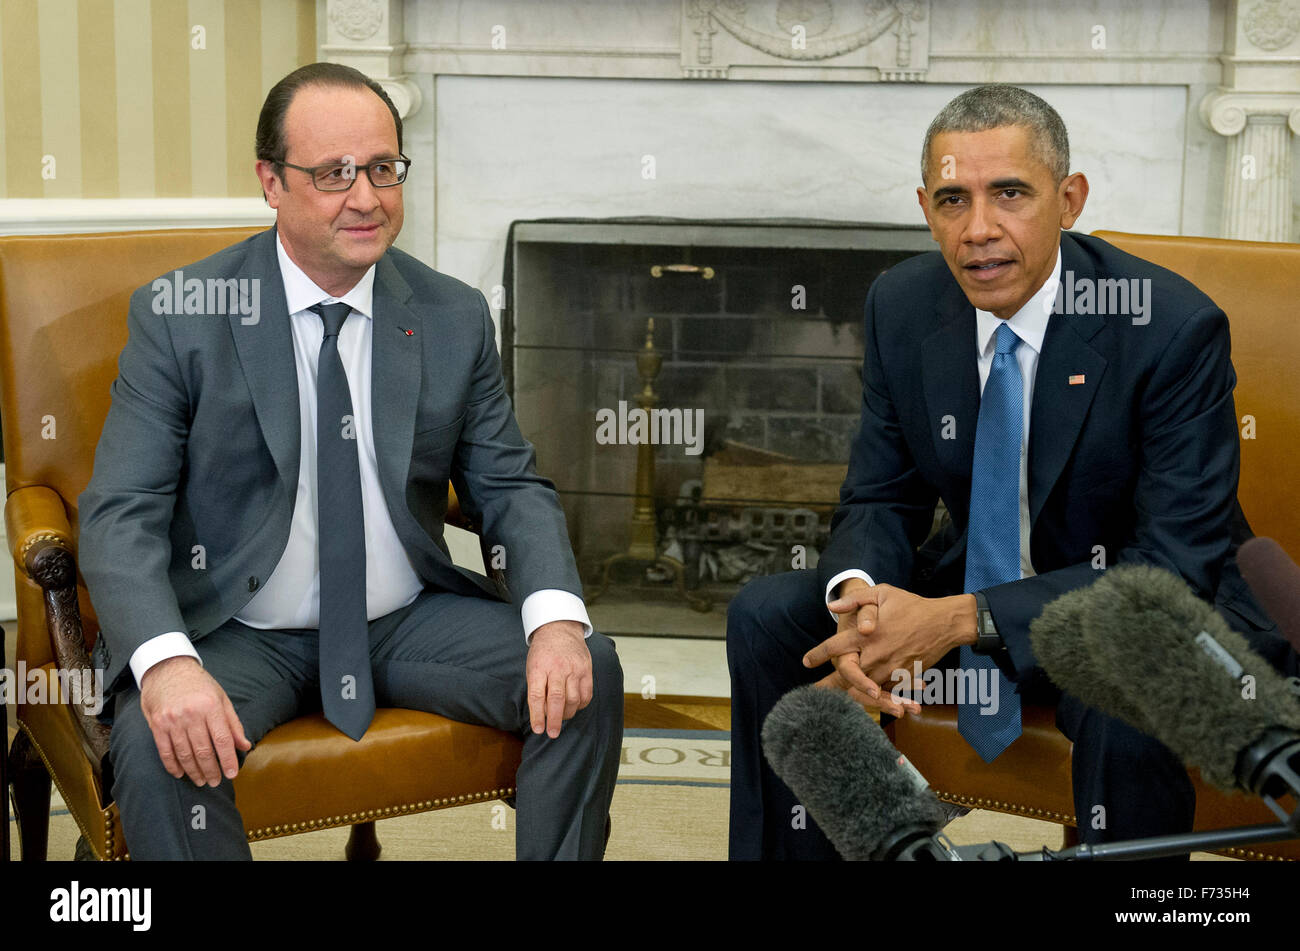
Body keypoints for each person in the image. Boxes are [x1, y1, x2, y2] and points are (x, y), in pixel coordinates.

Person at [726, 84, 1298, 860]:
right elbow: (882, 496)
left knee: (1131, 693)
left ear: (1069, 199)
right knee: (769, 615)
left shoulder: (1168, 328)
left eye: (1010, 195)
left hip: (1136, 614)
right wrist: (860, 604)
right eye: (954, 200)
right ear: (926, 207)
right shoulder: (902, 303)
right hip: (976, 584)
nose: (979, 230)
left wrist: (962, 617)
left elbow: (1169, 569)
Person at [78, 62, 623, 861]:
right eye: (333, 173)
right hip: (238, 625)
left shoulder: (451, 315)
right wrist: (164, 666)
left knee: (588, 671)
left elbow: (506, 482)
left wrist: (554, 621)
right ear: (271, 182)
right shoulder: (182, 317)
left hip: (401, 617)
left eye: (381, 168)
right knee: (165, 741)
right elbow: (120, 510)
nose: (365, 196)